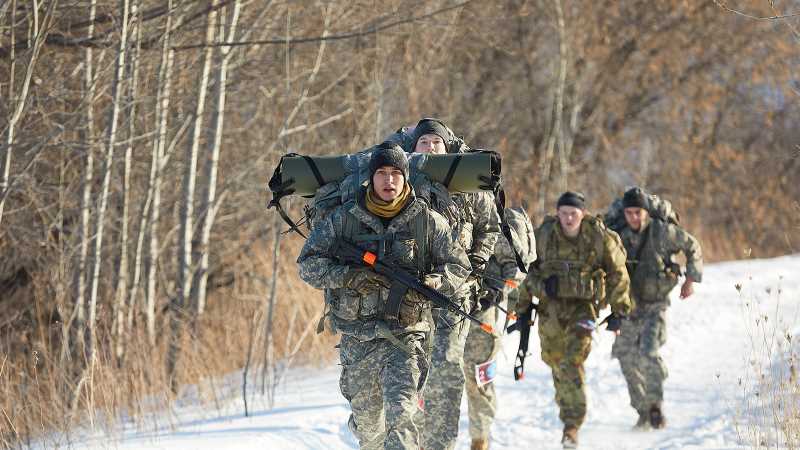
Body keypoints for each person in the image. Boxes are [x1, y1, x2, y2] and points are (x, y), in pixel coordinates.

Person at [297, 144, 471, 449]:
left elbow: (459, 267)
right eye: (381, 173)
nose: (388, 180)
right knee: (370, 430)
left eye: (395, 173)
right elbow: (308, 265)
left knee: (401, 420)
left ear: (405, 178)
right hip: (358, 339)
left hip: (406, 338)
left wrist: (431, 283)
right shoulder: (344, 220)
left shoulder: (427, 221)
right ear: (370, 178)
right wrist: (348, 277)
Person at [408, 118, 502, 450]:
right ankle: (415, 440)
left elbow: (490, 227)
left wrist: (477, 263)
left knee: (447, 367)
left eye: (436, 141)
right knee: (411, 371)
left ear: (447, 147)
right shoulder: (400, 183)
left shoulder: (467, 186)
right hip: (410, 294)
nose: (430, 147)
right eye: (423, 142)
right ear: (413, 149)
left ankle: (441, 443)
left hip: (456, 294)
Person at [516, 191, 633, 448]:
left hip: (584, 309)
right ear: (557, 213)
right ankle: (569, 413)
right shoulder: (543, 236)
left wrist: (620, 311)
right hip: (551, 311)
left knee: (572, 361)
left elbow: (618, 274)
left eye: (574, 213)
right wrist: (525, 304)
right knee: (556, 361)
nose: (569, 218)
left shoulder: (599, 237)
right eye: (564, 213)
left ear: (583, 213)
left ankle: (572, 425)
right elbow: (524, 272)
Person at [608, 187, 703, 430]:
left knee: (649, 352)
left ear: (646, 212)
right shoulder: (617, 235)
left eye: (638, 212)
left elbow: (692, 247)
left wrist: (690, 280)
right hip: (628, 306)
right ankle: (642, 411)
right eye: (629, 213)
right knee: (625, 358)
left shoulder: (662, 233)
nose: (633, 218)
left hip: (655, 305)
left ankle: (655, 406)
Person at [463, 206, 536, 450]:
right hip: (441, 312)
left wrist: (496, 291)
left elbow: (515, 266)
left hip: (483, 314)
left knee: (478, 380)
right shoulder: (437, 207)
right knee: (430, 382)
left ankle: (479, 439)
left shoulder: (491, 216)